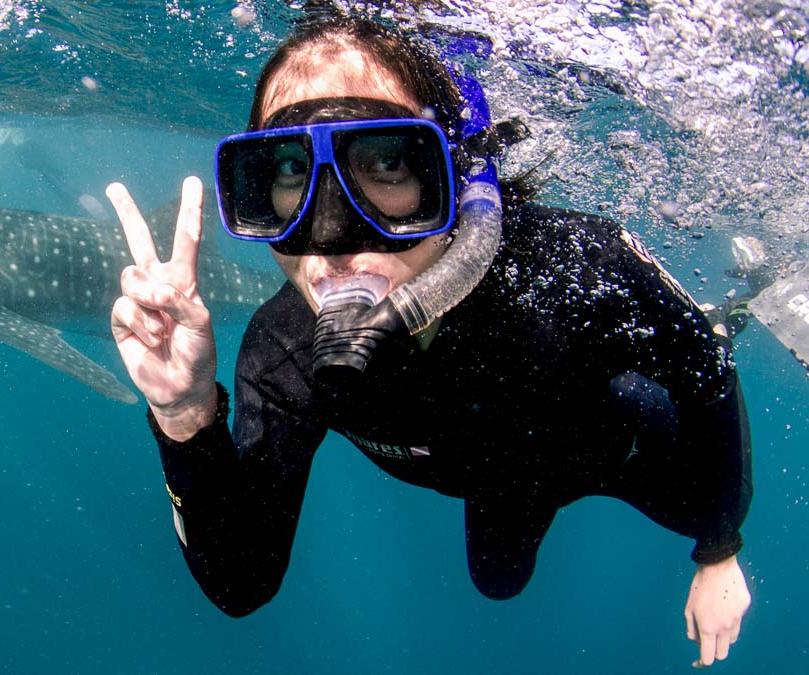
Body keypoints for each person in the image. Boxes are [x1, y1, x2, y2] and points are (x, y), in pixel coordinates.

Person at [104, 12, 752, 669]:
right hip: (498, 483)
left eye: (386, 160)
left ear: (455, 180)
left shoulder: (573, 267)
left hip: (621, 444)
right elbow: (242, 583)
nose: (330, 235)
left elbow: (708, 373)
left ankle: (739, 304)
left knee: (700, 486)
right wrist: (185, 416)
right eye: (292, 169)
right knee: (498, 582)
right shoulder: (285, 351)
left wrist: (721, 547)